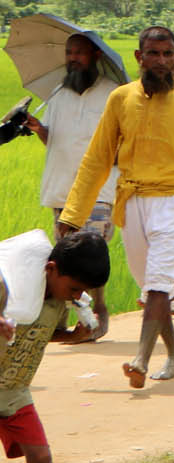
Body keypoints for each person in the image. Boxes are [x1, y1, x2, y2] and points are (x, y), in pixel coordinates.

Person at [61, 26, 174, 387]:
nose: (162, 61)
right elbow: (97, 159)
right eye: (154, 54)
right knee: (153, 286)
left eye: (169, 54)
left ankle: (140, 359)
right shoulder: (121, 99)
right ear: (139, 57)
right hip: (132, 202)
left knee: (157, 285)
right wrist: (73, 214)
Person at [0, 230, 110, 463]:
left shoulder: (59, 301)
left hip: (14, 390)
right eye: (73, 288)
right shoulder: (12, 292)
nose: (76, 297)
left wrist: (72, 336)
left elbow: (41, 334)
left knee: (41, 458)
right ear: (51, 269)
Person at [23, 31, 118, 340]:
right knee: (64, 257)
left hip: (98, 190)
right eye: (69, 53)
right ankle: (63, 320)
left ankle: (99, 312)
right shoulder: (58, 94)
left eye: (79, 53)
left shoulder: (114, 94)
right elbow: (55, 138)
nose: (73, 59)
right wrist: (39, 129)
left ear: (96, 57)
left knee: (92, 253)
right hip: (62, 187)